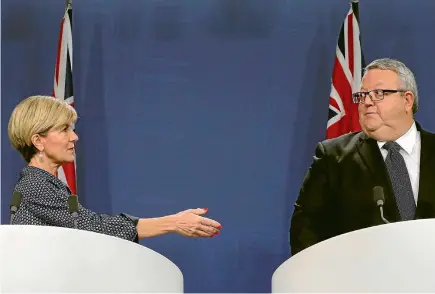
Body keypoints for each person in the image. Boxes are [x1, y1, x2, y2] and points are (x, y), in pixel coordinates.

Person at [8, 95, 222, 242]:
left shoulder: (46, 184)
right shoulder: (34, 185)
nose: (75, 137)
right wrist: (174, 223)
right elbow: (92, 227)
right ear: (38, 141)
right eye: (64, 129)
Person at [289, 58, 435, 255]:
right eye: (362, 95)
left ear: (407, 100)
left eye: (378, 93)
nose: (366, 102)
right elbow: (305, 228)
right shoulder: (334, 157)